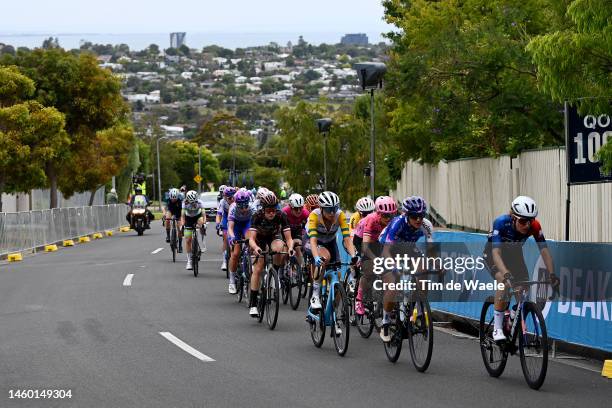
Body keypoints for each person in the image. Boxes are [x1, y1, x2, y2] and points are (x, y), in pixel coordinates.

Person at [484, 195, 558, 341]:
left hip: (514, 254)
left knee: (523, 288)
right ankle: (497, 328)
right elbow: (496, 253)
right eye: (523, 221)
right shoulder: (501, 223)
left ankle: (512, 314)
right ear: (513, 218)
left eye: (530, 221)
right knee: (505, 283)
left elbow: (544, 251)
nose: (527, 225)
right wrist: (505, 274)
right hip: (493, 255)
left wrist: (552, 275)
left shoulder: (534, 226)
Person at [378, 196, 434, 342]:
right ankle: (385, 321)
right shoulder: (397, 223)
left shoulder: (426, 225)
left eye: (421, 216)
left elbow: (431, 250)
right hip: (387, 248)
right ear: (406, 215)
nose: (418, 220)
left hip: (408, 248)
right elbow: (386, 251)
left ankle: (420, 312)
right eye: (414, 216)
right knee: (393, 285)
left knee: (424, 270)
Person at [305, 191, 358, 313]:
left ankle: (333, 314)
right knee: (324, 257)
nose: (332, 212)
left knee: (337, 276)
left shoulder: (340, 215)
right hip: (313, 242)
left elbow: (347, 239)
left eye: (334, 208)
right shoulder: (314, 215)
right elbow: (312, 240)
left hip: (330, 242)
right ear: (321, 208)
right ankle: (315, 294)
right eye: (329, 209)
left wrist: (354, 255)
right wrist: (316, 257)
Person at [247, 191, 295, 317]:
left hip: (274, 236)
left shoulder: (281, 215)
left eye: (273, 210)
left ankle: (275, 272)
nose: (271, 213)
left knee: (280, 248)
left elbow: (289, 238)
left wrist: (290, 248)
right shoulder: (256, 216)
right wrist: (256, 247)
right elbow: (251, 239)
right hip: (259, 240)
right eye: (268, 210)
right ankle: (253, 304)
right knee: (258, 268)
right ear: (263, 209)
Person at [354, 196, 397, 319]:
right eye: (385, 216)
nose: (388, 219)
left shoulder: (394, 221)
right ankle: (359, 298)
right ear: (378, 214)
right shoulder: (371, 219)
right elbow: (366, 246)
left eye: (391, 216)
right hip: (363, 239)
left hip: (381, 242)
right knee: (368, 269)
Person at [227, 190, 254, 294]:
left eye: (245, 206)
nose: (243, 209)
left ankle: (250, 265)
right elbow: (230, 227)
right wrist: (233, 237)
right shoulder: (233, 208)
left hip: (247, 224)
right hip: (236, 227)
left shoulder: (252, 207)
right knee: (236, 253)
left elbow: (255, 225)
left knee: (251, 242)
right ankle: (232, 281)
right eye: (241, 206)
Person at [281, 193, 309, 270]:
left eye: (301, 208)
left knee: (298, 246)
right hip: (285, 232)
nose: (299, 211)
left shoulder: (305, 213)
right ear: (290, 207)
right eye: (296, 208)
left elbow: (310, 227)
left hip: (296, 232)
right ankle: (282, 268)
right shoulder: (284, 212)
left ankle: (302, 268)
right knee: (285, 251)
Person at [181, 190, 206, 270]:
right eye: (191, 202)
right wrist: (182, 225)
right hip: (188, 218)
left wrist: (204, 223)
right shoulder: (184, 203)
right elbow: (182, 216)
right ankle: (189, 260)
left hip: (197, 216)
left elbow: (203, 214)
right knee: (188, 240)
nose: (193, 204)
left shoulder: (200, 202)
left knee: (202, 223)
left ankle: (202, 242)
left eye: (194, 202)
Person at [216, 186, 236, 271]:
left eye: (232, 197)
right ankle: (224, 260)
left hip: (235, 217)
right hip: (225, 218)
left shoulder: (236, 201)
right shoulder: (222, 202)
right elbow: (219, 214)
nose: (230, 199)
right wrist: (217, 223)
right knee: (225, 237)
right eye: (227, 197)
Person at [163, 188, 183, 252]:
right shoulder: (168, 199)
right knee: (167, 220)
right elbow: (165, 208)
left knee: (179, 228)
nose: (173, 200)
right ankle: (168, 236)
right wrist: (164, 215)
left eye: (175, 198)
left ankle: (180, 246)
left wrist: (182, 219)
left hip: (178, 212)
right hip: (170, 210)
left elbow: (183, 210)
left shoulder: (181, 200)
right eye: (172, 198)